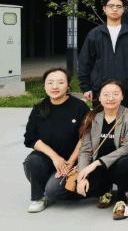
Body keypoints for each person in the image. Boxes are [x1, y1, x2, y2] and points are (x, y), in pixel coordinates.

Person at [23, 68, 91, 213]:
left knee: (54, 191)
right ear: (44, 86)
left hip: (73, 161)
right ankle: (37, 198)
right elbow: (31, 138)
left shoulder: (79, 107)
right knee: (32, 162)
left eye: (60, 82)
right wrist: (55, 157)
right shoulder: (39, 108)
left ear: (68, 85)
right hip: (49, 159)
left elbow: (86, 137)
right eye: (50, 83)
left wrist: (71, 162)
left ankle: (76, 189)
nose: (55, 86)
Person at [77, 80, 128, 217]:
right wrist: (81, 176)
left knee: (126, 163)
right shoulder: (91, 117)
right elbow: (85, 150)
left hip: (121, 164)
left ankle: (122, 198)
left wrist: (96, 163)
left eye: (115, 94)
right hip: (100, 168)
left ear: (122, 96)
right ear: (99, 97)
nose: (110, 98)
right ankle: (105, 190)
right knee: (86, 189)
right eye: (106, 95)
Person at [78, 0, 128, 113]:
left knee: (125, 121)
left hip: (126, 90)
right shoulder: (94, 34)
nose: (115, 9)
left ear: (123, 10)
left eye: (118, 6)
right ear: (104, 9)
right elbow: (84, 62)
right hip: (100, 90)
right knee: (101, 120)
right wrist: (86, 87)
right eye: (111, 6)